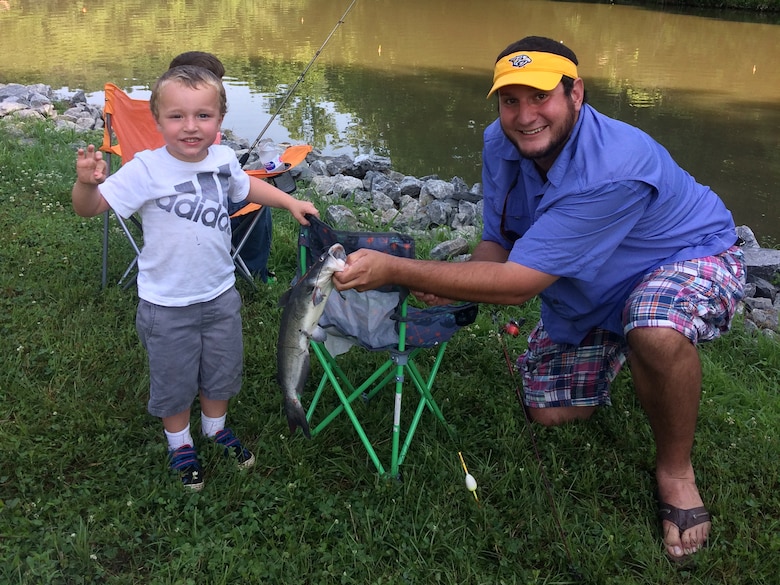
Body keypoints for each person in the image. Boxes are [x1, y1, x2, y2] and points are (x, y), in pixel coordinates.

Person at [332, 36, 745, 560]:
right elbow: (499, 244)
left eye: (540, 97)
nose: (524, 116)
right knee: (549, 412)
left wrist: (396, 268)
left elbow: (521, 282)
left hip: (685, 257)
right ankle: (619, 343)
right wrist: (450, 278)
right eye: (510, 100)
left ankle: (676, 472)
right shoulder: (499, 141)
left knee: (654, 327)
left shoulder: (615, 165)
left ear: (576, 93)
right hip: (588, 281)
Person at [72, 65, 319, 490]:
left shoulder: (223, 159)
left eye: (203, 116)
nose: (191, 127)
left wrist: (287, 203)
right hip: (166, 304)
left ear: (220, 121)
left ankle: (215, 427)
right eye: (177, 117)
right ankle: (179, 441)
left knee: (221, 370)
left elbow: (246, 190)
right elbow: (89, 209)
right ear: (158, 120)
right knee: (174, 378)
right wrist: (85, 184)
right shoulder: (145, 168)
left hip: (221, 296)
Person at [169, 51, 276, 283]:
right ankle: (254, 271)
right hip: (198, 200)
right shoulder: (200, 124)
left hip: (161, 201)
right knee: (256, 202)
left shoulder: (163, 118)